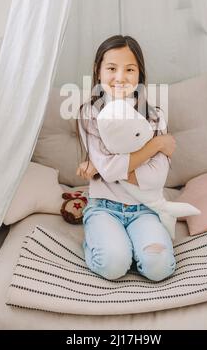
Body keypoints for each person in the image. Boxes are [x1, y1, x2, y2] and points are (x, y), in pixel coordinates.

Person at [75, 35, 177, 281]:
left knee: (159, 268)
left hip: (146, 209)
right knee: (112, 265)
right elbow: (108, 171)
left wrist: (105, 169)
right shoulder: (90, 113)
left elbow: (156, 178)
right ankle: (104, 244)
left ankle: (132, 248)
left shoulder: (154, 116)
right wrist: (156, 145)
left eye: (129, 69)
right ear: (98, 72)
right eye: (111, 68)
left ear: (139, 75)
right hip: (104, 208)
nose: (120, 77)